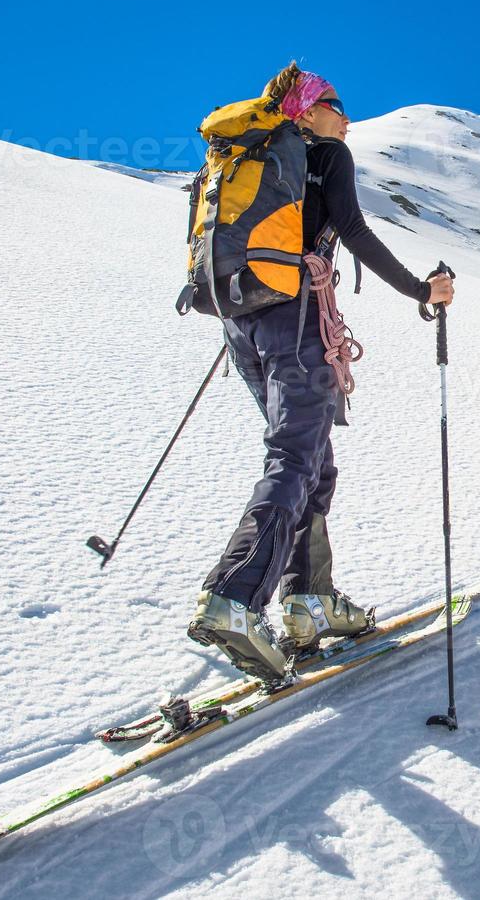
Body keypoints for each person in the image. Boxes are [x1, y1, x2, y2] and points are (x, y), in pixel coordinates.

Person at [187, 62, 456, 685]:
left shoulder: (237, 157)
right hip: (299, 318)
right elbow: (354, 231)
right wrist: (422, 290)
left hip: (242, 322)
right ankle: (235, 596)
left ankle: (310, 601)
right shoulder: (324, 155)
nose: (347, 117)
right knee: (296, 457)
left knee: (312, 457)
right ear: (305, 111)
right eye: (335, 105)